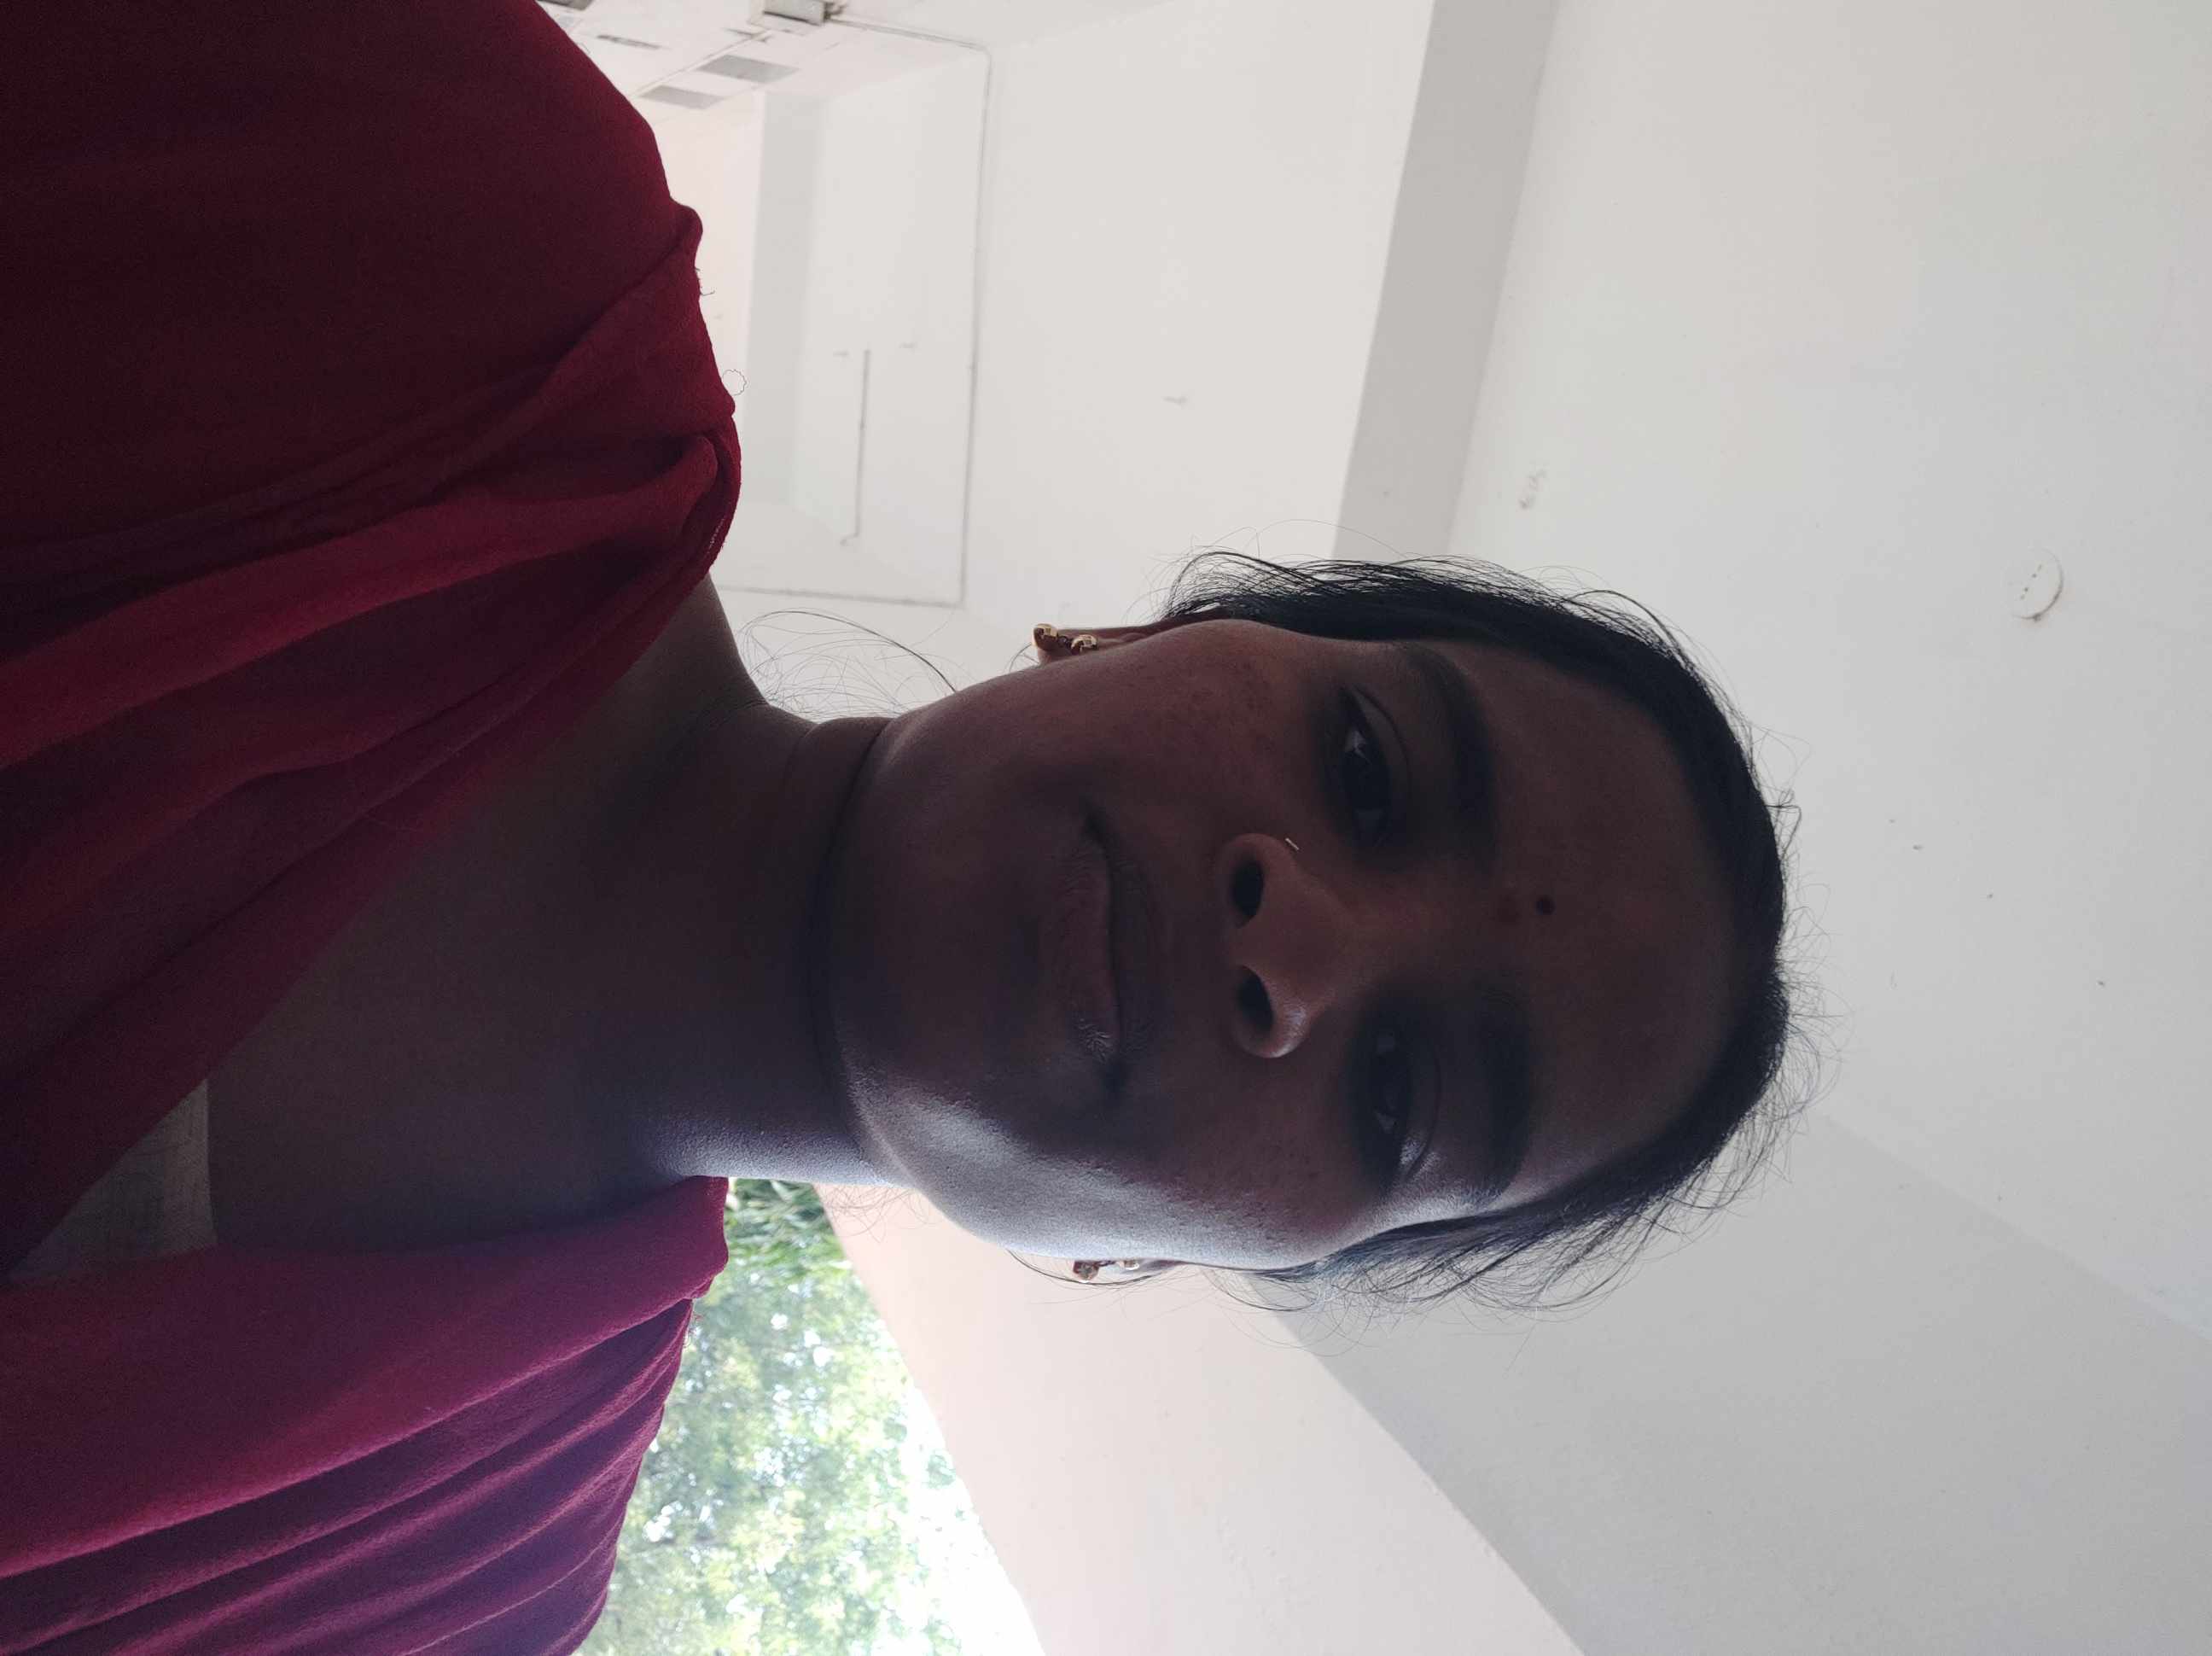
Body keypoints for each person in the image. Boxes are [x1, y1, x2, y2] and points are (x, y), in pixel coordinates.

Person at [0, 1, 1804, 1650]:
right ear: (1162, 634)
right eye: (1367, 767)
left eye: (1401, 1096)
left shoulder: (447, 1590)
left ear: (1222, 1257)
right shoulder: (465, 229)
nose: (1303, 947)